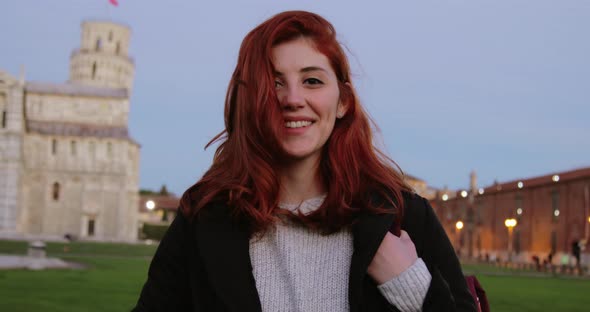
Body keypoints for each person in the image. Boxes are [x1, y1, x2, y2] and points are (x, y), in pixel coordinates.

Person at [133, 10, 476, 312]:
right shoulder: (204, 217)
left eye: (312, 81)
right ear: (250, 100)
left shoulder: (403, 217)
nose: (292, 99)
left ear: (343, 101)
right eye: (273, 83)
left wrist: (411, 287)